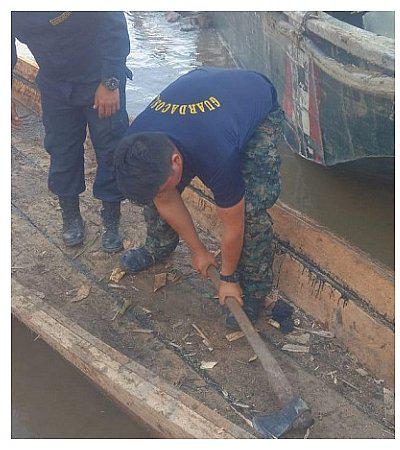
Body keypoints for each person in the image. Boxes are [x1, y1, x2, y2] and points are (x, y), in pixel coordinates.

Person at [113, 67, 282, 330]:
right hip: (202, 97)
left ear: (177, 161)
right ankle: (159, 245)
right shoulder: (135, 145)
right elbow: (165, 200)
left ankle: (254, 288)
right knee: (155, 192)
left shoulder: (217, 154)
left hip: (252, 97)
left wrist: (226, 277)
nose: (161, 196)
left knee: (251, 211)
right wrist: (199, 252)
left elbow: (233, 227)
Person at [12, 12, 132, 251]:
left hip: (99, 76)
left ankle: (111, 218)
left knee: (111, 149)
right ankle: (71, 217)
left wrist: (110, 81)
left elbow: (114, 25)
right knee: (61, 148)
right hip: (55, 82)